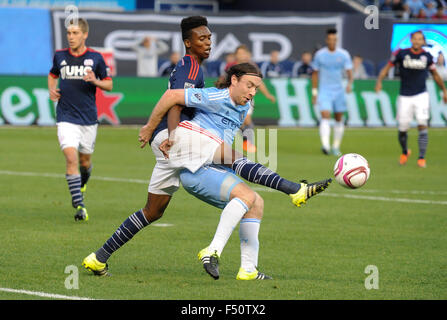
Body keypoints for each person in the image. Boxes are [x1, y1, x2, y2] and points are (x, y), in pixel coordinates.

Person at [48, 18, 113, 221]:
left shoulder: (96, 58)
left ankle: (82, 183)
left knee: (85, 162)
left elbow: (109, 85)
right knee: (71, 158)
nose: (71, 37)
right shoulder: (60, 56)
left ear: (84, 34)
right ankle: (80, 205)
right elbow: (52, 74)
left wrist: (95, 81)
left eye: (75, 33)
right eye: (69, 33)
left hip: (88, 118)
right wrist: (51, 90)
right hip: (66, 116)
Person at [375, 30, 447, 168]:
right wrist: (379, 81)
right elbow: (387, 68)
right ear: (411, 39)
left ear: (423, 41)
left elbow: (435, 75)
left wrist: (444, 90)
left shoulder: (426, 56)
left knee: (422, 124)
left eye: (420, 39)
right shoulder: (401, 54)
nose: (417, 41)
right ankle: (404, 151)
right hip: (404, 96)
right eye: (415, 38)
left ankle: (421, 157)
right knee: (402, 128)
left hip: (421, 95)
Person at [223, 44, 276, 152]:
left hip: (247, 96)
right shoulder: (230, 67)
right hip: (232, 97)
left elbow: (259, 82)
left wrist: (267, 95)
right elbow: (225, 80)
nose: (241, 55)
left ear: (247, 54)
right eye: (239, 53)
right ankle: (227, 140)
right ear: (235, 55)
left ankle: (247, 142)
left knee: (246, 120)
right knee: (237, 120)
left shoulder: (251, 67)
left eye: (243, 53)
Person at [311, 28, 353, 157]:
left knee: (339, 118)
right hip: (324, 90)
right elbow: (315, 74)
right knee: (325, 115)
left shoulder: (344, 54)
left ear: (337, 40)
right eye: (330, 39)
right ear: (326, 40)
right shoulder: (320, 55)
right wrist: (314, 92)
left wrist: (349, 84)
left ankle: (335, 146)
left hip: (339, 91)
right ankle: (325, 146)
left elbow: (350, 73)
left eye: (334, 40)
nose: (332, 42)